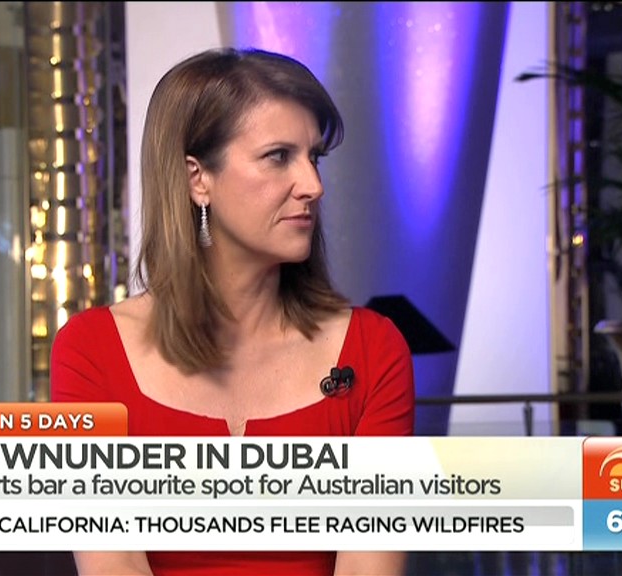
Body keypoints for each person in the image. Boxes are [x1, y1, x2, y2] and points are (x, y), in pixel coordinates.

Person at [51, 46, 415, 576]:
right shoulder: (91, 351)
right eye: (278, 157)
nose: (313, 186)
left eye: (314, 158)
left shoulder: (373, 350)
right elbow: (113, 564)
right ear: (198, 178)